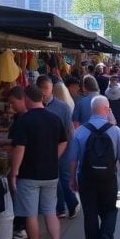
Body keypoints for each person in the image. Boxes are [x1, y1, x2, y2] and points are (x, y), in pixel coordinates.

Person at [68, 96, 120, 239]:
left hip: (86, 177)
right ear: (105, 109)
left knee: (90, 214)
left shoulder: (80, 131)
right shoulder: (116, 131)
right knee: (110, 210)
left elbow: (73, 158)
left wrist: (72, 178)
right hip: (108, 178)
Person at [10, 85, 69, 239]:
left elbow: (19, 148)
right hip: (50, 173)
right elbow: (64, 141)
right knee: (51, 212)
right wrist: (53, 157)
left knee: (31, 215)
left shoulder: (25, 121)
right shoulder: (54, 118)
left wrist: (14, 172)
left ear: (27, 98)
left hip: (29, 174)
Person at [37, 75, 79, 220]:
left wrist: (69, 149)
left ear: (51, 89)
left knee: (63, 178)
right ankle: (61, 207)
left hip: (64, 147)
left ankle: (71, 203)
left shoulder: (62, 107)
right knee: (55, 179)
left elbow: (69, 131)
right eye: (41, 88)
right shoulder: (36, 106)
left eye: (46, 89)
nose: (44, 92)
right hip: (45, 149)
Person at [5, 86, 30, 239]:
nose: (11, 107)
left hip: (23, 164)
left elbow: (20, 145)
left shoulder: (25, 119)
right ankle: (21, 224)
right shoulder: (20, 117)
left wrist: (13, 172)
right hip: (21, 161)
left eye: (13, 103)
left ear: (22, 99)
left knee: (21, 195)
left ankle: (21, 226)